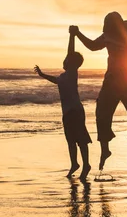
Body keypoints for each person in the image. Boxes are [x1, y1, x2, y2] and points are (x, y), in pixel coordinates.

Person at [70, 11, 127, 172]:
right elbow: (93, 46)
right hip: (115, 81)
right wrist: (77, 34)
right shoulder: (109, 34)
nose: (107, 32)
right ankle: (106, 149)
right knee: (103, 113)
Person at [34, 30, 92, 180]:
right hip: (67, 113)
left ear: (71, 63)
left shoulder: (72, 73)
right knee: (70, 140)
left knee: (81, 140)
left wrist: (72, 36)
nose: (64, 60)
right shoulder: (64, 77)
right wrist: (42, 75)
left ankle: (86, 164)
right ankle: (74, 164)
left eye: (67, 59)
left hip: (75, 112)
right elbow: (56, 80)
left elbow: (70, 52)